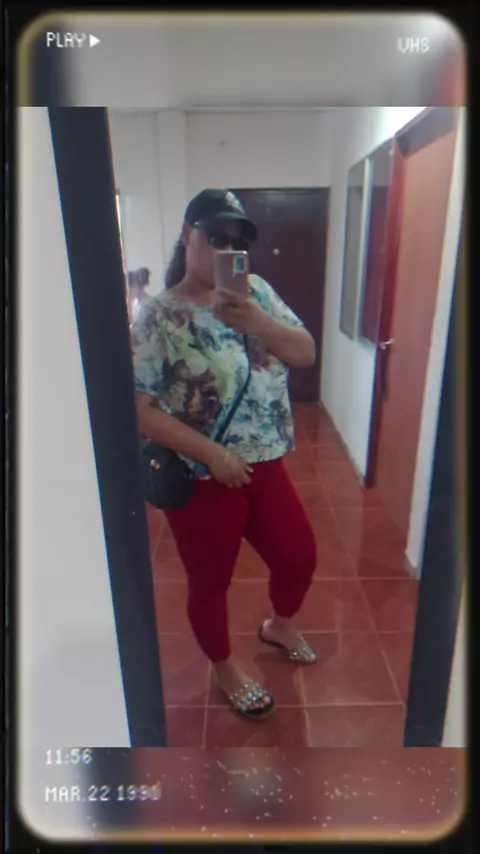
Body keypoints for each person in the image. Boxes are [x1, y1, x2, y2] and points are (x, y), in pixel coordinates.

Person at [131, 189, 318, 720]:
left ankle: (279, 626)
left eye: (237, 242)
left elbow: (305, 353)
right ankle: (225, 668)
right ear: (187, 235)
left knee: (298, 557)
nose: (227, 250)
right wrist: (212, 455)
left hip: (266, 462)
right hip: (203, 475)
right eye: (215, 237)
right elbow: (139, 410)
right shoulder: (159, 317)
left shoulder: (257, 293)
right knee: (211, 581)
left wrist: (260, 323)